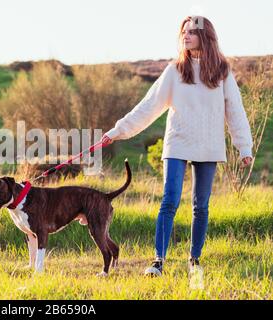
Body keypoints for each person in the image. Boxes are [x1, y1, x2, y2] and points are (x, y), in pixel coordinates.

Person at [101, 16, 253, 276]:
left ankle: (194, 260)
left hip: (208, 145)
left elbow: (235, 110)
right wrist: (118, 131)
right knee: (169, 200)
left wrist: (244, 147)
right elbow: (149, 106)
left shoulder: (222, 71)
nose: (186, 36)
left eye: (192, 32)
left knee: (200, 205)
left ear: (205, 36)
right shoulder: (175, 70)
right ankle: (158, 261)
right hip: (177, 142)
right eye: (183, 32)